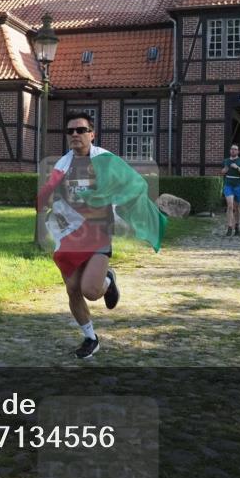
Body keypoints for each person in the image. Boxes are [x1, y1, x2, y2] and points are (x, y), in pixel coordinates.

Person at [37, 112, 166, 359]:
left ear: (92, 134)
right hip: (70, 234)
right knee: (72, 288)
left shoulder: (106, 160)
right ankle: (90, 337)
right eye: (71, 131)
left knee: (90, 291)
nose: (75, 134)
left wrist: (117, 202)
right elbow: (48, 192)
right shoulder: (61, 165)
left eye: (81, 130)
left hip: (98, 233)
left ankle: (106, 281)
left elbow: (134, 183)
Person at [221, 143, 240, 237]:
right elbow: (222, 172)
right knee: (230, 206)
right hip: (228, 185)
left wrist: (237, 168)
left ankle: (237, 226)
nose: (233, 150)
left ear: (238, 151)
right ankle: (229, 227)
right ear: (230, 151)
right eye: (231, 149)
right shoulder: (226, 161)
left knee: (237, 208)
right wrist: (224, 170)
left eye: (235, 149)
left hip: (238, 186)